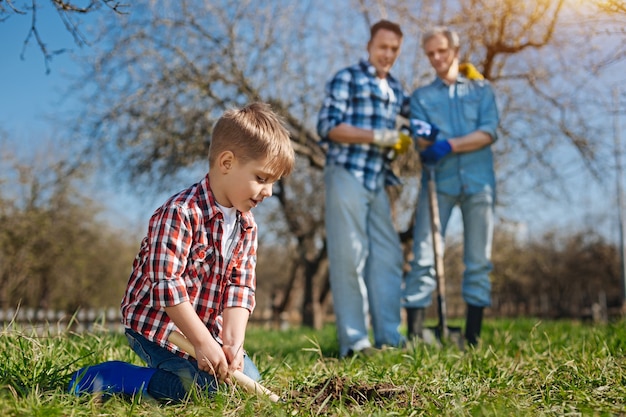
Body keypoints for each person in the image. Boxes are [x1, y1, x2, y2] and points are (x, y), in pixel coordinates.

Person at [68, 102, 295, 401]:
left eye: (273, 183)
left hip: (204, 329)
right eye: (262, 178)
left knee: (248, 382)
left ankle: (200, 366)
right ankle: (111, 378)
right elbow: (167, 286)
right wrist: (201, 341)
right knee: (203, 391)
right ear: (226, 163)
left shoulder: (247, 226)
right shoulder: (180, 213)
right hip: (159, 325)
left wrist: (232, 343)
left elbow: (239, 287)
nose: (267, 192)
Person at [317, 19, 411, 358]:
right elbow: (328, 126)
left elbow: (417, 120)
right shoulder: (348, 78)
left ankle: (390, 336)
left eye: (394, 50)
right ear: (370, 46)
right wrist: (377, 137)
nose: (388, 54)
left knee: (388, 256)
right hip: (347, 173)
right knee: (350, 256)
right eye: (383, 47)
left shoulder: (397, 90)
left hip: (377, 179)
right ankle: (355, 343)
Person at [403, 27, 499, 347]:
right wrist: (425, 139)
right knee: (424, 256)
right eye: (430, 54)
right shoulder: (421, 97)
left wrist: (449, 145)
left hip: (478, 183)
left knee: (478, 259)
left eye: (441, 51)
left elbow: (487, 133)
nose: (436, 58)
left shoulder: (481, 91)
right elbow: (421, 140)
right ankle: (416, 336)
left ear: (456, 50)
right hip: (437, 183)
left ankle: (471, 336)